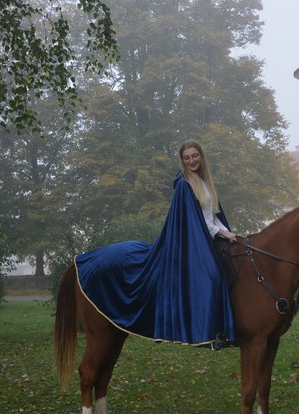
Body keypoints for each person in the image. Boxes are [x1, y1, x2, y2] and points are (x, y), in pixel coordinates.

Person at [74, 141, 237, 348]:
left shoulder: (204, 182)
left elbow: (212, 216)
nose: (191, 161)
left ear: (201, 157)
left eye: (195, 156)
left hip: (204, 238)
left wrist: (228, 233)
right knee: (212, 277)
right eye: (187, 158)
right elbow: (195, 221)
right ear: (182, 160)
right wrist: (221, 232)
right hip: (189, 244)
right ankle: (209, 334)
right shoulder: (184, 184)